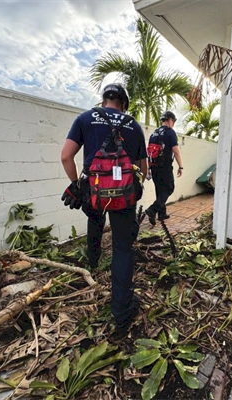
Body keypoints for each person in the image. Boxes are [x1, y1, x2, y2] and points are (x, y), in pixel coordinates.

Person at [60, 83, 147, 336]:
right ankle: (121, 313)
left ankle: (93, 260)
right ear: (124, 103)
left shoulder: (85, 118)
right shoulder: (133, 124)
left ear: (104, 99)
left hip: (94, 190)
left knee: (95, 220)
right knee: (122, 248)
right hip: (124, 197)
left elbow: (66, 156)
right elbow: (143, 167)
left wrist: (76, 185)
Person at [145, 110, 183, 226]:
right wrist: (181, 166)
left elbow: (149, 151)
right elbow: (176, 151)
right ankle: (153, 209)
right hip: (165, 166)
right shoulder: (170, 132)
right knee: (169, 188)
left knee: (160, 189)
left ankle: (162, 214)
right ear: (170, 120)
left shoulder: (154, 133)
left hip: (154, 166)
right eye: (173, 121)